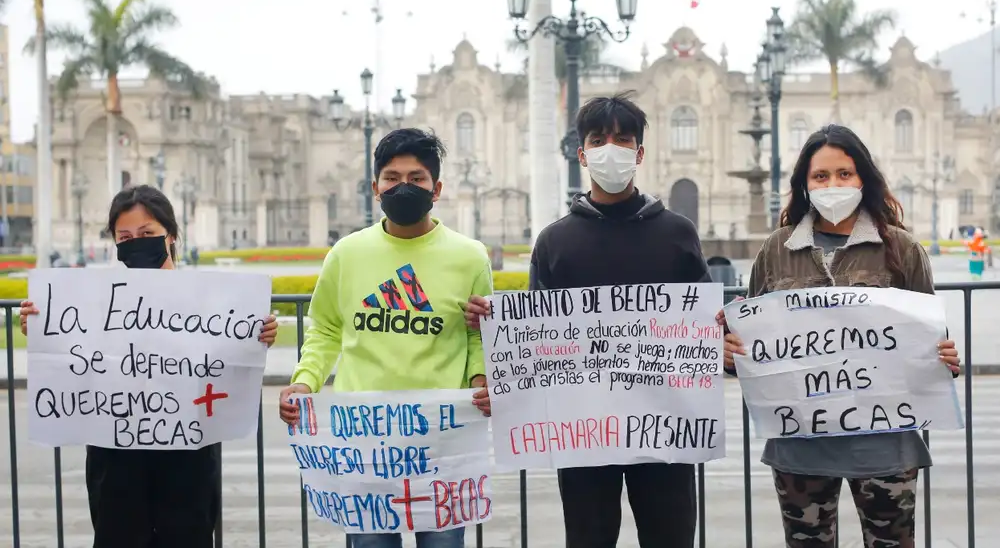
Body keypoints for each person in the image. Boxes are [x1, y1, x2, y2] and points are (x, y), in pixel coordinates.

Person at [465, 92, 711, 548]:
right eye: (598, 139)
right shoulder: (556, 241)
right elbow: (536, 338)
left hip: (664, 429)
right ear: (582, 153)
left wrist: (726, 343)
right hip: (584, 434)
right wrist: (501, 329)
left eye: (622, 139)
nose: (610, 149)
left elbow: (703, 330)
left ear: (639, 153)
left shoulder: (677, 233)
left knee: (670, 538)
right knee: (588, 539)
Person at [717, 125, 960, 548]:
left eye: (844, 174)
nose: (833, 185)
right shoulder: (776, 250)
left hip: (885, 446)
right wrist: (731, 354)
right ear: (805, 185)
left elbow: (930, 339)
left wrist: (945, 359)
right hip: (800, 448)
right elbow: (752, 344)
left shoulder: (901, 250)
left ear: (863, 178)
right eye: (821, 176)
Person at [21, 184, 279, 548]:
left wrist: (259, 333)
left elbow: (231, 358)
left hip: (187, 453)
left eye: (146, 234)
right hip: (116, 453)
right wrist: (41, 324)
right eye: (124, 236)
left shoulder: (212, 300)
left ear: (170, 235)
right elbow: (68, 350)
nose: (135, 242)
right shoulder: (92, 299)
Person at [277, 128, 493, 548]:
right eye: (392, 178)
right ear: (375, 187)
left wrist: (481, 380)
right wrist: (305, 381)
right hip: (365, 439)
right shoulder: (347, 253)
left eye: (417, 178)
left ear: (438, 188)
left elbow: (477, 336)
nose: (403, 186)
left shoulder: (470, 256)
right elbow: (324, 327)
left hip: (442, 438)